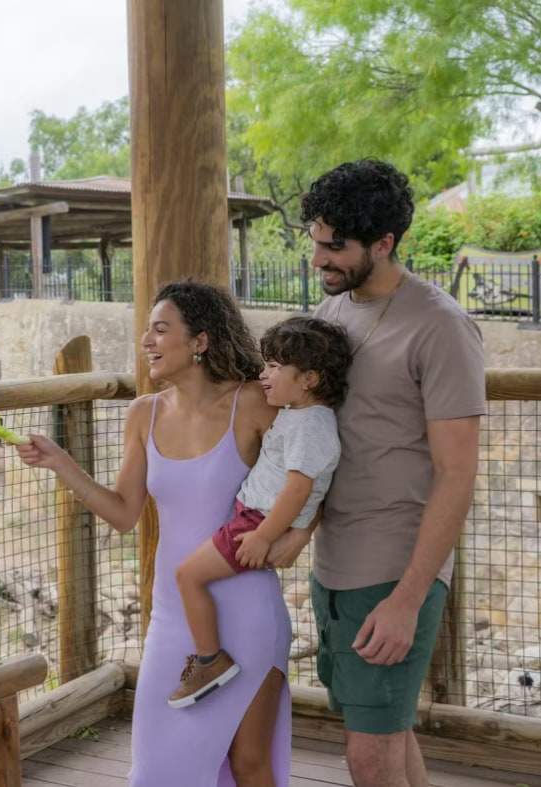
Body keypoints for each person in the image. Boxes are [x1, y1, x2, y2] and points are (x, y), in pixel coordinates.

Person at [18, 280, 292, 786]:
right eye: (146, 330)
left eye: (160, 329)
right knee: (154, 769)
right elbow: (125, 513)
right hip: (172, 617)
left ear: (200, 342)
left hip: (248, 609)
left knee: (248, 764)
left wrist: (294, 538)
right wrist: (61, 464)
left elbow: (316, 469)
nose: (147, 340)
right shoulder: (142, 413)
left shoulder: (254, 403)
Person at [266, 159, 484, 787]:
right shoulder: (333, 314)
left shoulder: (441, 326)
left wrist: (408, 600)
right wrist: (302, 535)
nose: (318, 260)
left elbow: (456, 472)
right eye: (315, 242)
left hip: (394, 572)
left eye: (334, 248)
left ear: (384, 243)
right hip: (336, 564)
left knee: (369, 756)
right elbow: (329, 446)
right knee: (388, 736)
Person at [169, 317, 352, 709]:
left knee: (187, 576)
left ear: (309, 379)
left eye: (273, 367)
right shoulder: (299, 415)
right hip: (254, 518)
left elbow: (299, 488)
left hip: (256, 523)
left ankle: (209, 660)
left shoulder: (312, 424)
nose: (262, 373)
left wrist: (265, 535)